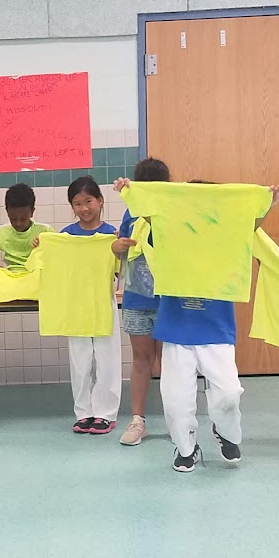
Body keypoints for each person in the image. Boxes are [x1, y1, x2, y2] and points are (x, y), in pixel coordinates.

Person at [147, 181, 279, 473]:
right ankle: (186, 448)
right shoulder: (172, 233)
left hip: (216, 330)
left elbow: (246, 227)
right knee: (174, 400)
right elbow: (151, 217)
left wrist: (266, 205)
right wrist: (129, 193)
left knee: (228, 394)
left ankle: (226, 433)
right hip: (176, 330)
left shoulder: (225, 236)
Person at [55, 176, 122, 435]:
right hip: (76, 305)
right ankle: (83, 413)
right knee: (80, 360)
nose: (84, 208)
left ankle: (105, 413)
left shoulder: (111, 234)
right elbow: (54, 264)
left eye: (89, 201)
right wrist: (42, 246)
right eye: (77, 203)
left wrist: (120, 247)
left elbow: (119, 270)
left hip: (103, 302)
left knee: (107, 358)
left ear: (100, 201)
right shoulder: (66, 236)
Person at [111, 158, 170, 446]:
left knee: (171, 362)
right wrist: (117, 246)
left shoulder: (173, 212)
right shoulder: (130, 212)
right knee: (141, 360)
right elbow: (119, 248)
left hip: (169, 298)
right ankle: (138, 420)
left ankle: (178, 419)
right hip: (137, 298)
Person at [0, 183, 50, 291]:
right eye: (13, 218)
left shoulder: (45, 231)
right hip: (9, 277)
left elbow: (59, 258)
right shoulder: (0, 232)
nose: (18, 223)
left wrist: (45, 244)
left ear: (32, 212)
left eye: (23, 219)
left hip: (35, 276)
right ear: (7, 212)